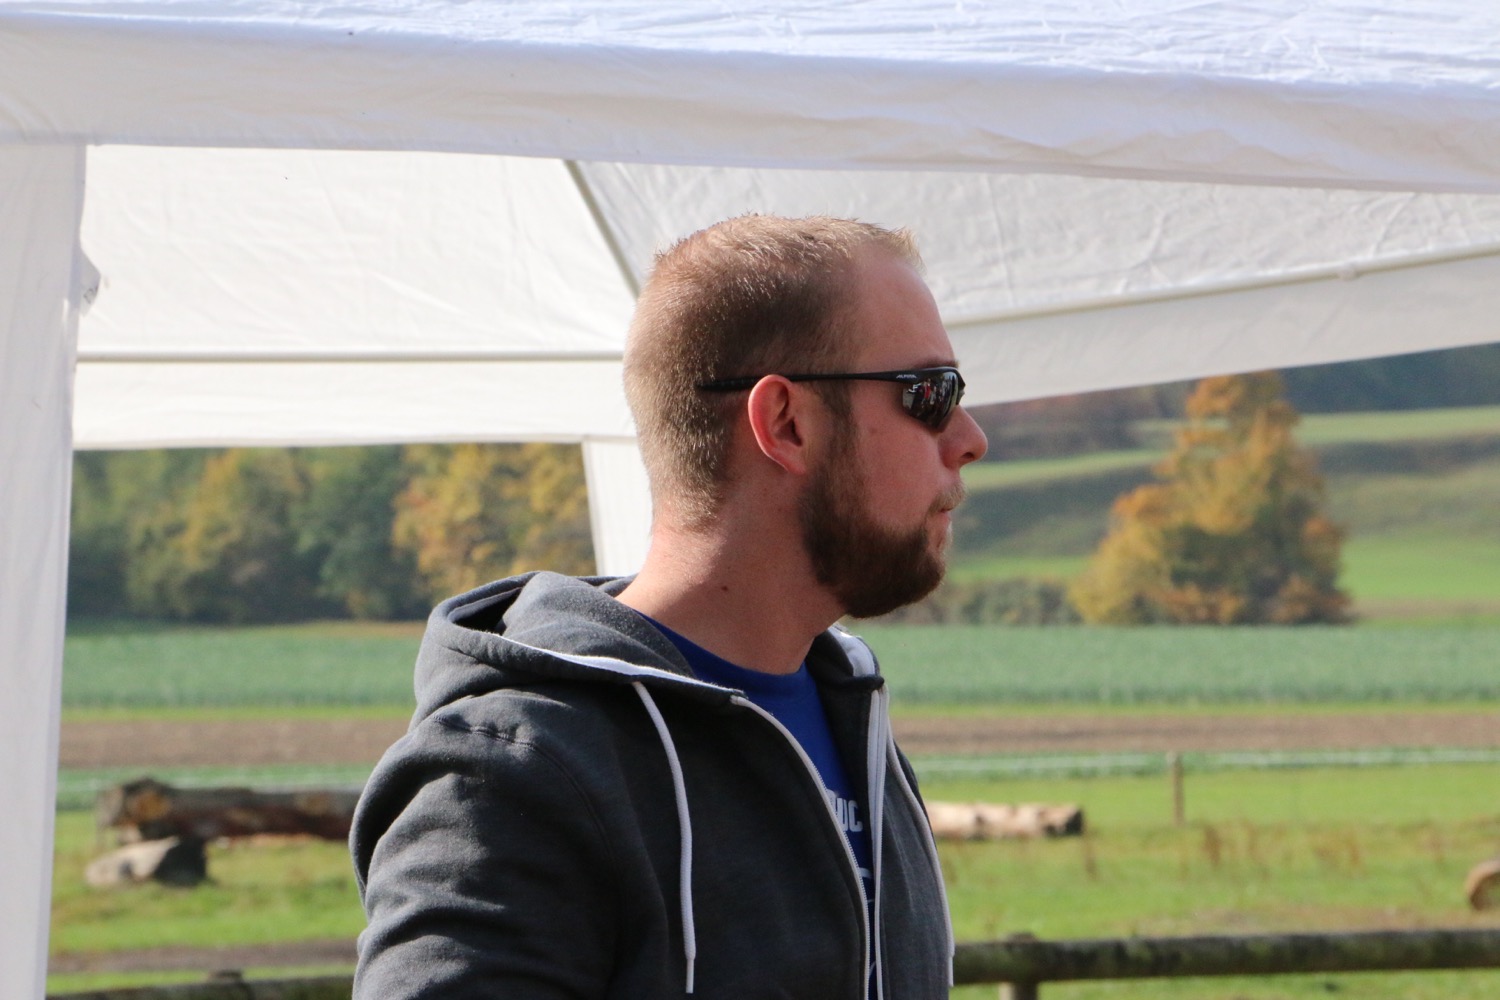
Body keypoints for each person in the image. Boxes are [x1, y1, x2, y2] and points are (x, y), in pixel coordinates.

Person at [350, 214, 989, 999]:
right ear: (786, 423)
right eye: (930, 394)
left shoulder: (854, 720)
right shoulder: (513, 775)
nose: (969, 438)